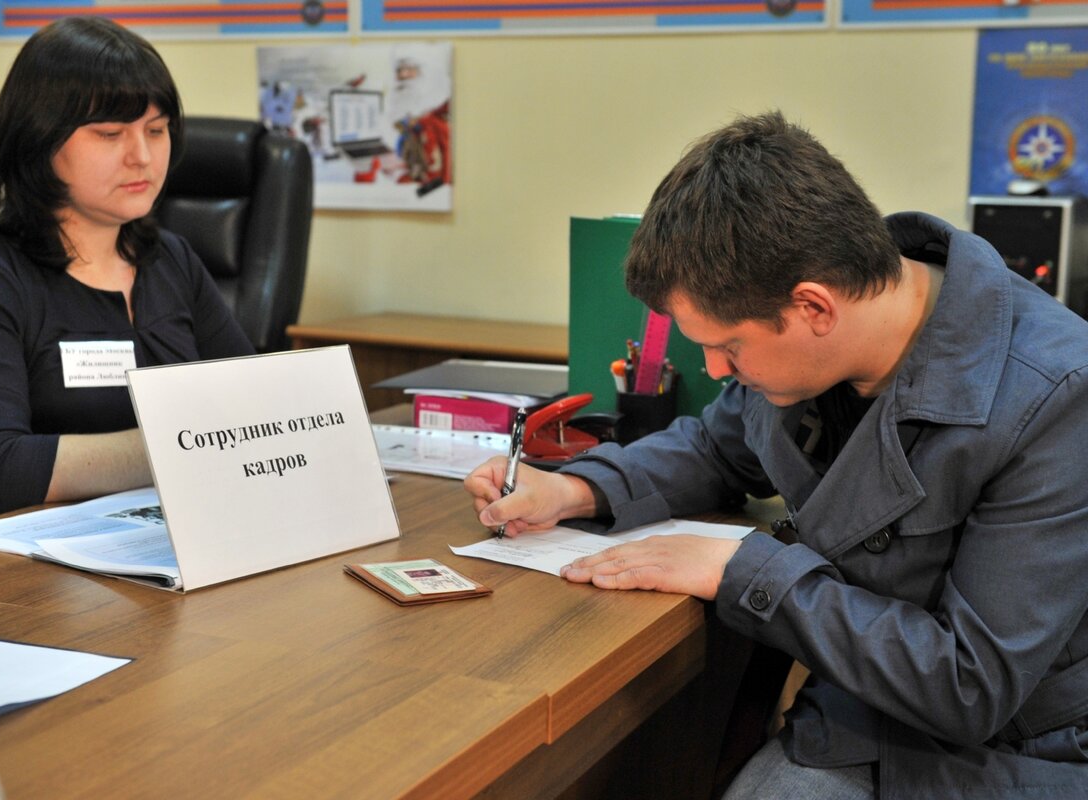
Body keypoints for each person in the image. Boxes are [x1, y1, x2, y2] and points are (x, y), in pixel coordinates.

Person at [465, 111, 1088, 797]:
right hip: (864, 701)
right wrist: (576, 489)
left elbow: (969, 686)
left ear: (814, 308)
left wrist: (744, 570)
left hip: (1015, 749)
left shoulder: (1057, 397)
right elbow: (715, 446)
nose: (715, 370)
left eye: (728, 347)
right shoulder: (809, 339)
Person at [0, 17, 254, 533]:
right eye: (110, 134)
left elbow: (255, 405)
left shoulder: (171, 259)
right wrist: (188, 444)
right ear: (39, 140)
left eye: (156, 130)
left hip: (147, 538)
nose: (142, 156)